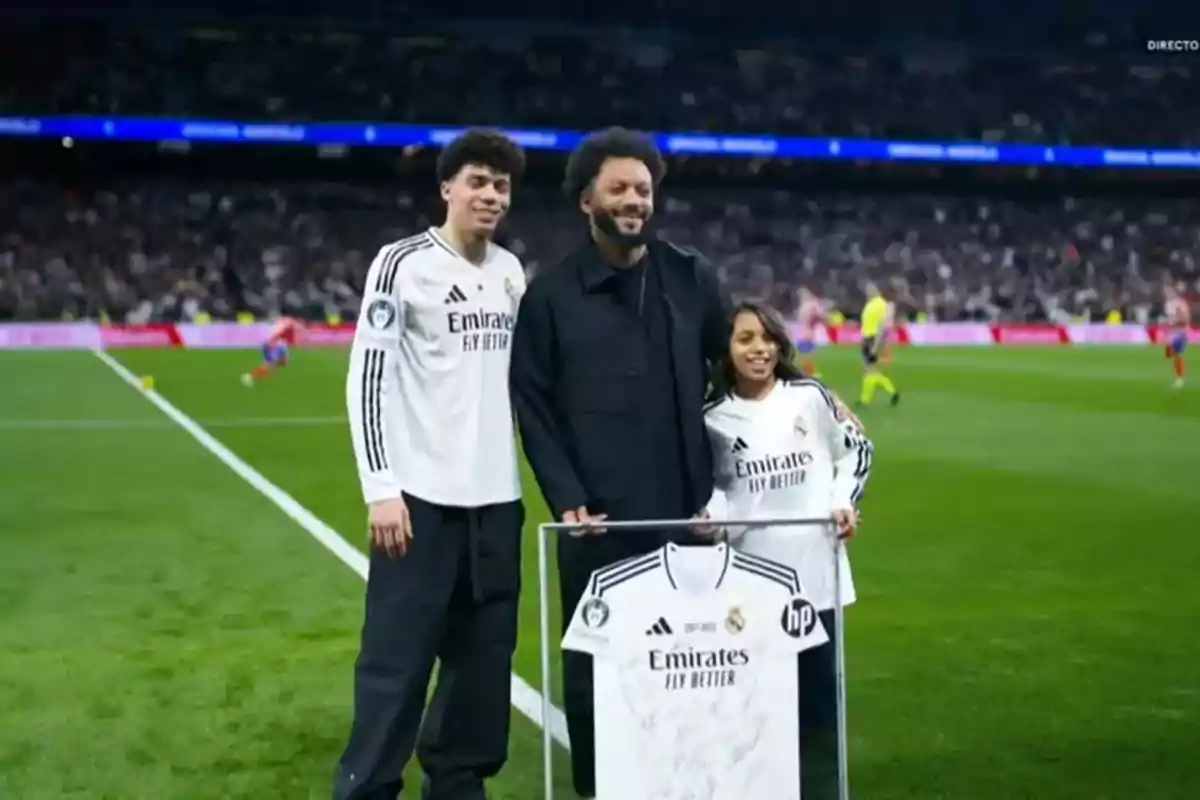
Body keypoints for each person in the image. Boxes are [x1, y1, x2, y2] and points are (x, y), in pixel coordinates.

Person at [509, 126, 732, 799]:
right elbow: (534, 406)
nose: (635, 200)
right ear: (587, 201)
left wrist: (812, 402)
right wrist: (566, 496)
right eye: (620, 189)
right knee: (597, 667)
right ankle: (601, 788)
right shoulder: (549, 297)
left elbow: (738, 369)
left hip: (689, 519)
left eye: (644, 188)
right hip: (595, 522)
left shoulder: (691, 276)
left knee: (695, 663)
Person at [334, 129, 528, 800]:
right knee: (398, 660)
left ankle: (457, 783)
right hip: (419, 501)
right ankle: (367, 786)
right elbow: (368, 379)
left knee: (483, 663)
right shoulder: (402, 263)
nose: (490, 195)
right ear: (447, 188)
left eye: (501, 185)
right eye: (478, 181)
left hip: (496, 503)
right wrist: (381, 488)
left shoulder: (510, 273)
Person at [701, 299, 874, 800]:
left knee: (819, 707)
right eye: (746, 339)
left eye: (767, 338)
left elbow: (856, 451)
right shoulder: (712, 418)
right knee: (756, 707)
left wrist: (843, 501)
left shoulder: (810, 397)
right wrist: (713, 521)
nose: (760, 349)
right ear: (727, 350)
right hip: (748, 585)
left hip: (815, 578)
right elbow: (713, 489)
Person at [858, 283, 900, 408]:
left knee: (869, 371)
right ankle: (867, 400)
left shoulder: (880, 305)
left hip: (871, 338)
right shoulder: (872, 304)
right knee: (869, 371)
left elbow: (881, 326)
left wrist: (875, 346)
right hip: (868, 337)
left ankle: (889, 392)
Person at [241, 315, 302, 385]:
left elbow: (286, 331)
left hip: (279, 346)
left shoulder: (281, 324)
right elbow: (275, 336)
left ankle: (270, 364)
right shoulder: (280, 327)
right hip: (273, 346)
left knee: (284, 362)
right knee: (268, 366)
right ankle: (249, 377)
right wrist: (271, 345)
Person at [794, 286, 826, 377]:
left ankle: (805, 371)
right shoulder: (810, 306)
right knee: (806, 355)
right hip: (807, 333)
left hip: (804, 333)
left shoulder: (804, 306)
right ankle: (807, 371)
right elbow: (819, 317)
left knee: (804, 355)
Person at [1164, 282, 1190, 389]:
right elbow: (1170, 318)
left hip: (1180, 332)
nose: (1167, 293)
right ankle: (1179, 378)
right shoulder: (1168, 304)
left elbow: (1185, 319)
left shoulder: (1180, 304)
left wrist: (1175, 322)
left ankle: (1179, 379)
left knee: (1178, 355)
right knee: (1169, 354)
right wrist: (1168, 324)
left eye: (1169, 291)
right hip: (1172, 333)